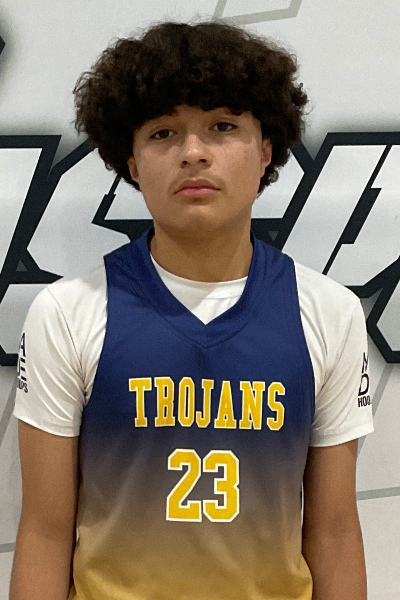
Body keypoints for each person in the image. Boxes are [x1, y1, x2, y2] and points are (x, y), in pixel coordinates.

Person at [10, 19, 373, 600]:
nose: (194, 153)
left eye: (223, 126)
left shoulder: (330, 311)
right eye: (163, 133)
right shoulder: (68, 311)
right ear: (131, 162)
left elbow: (333, 533)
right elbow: (46, 532)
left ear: (265, 150)